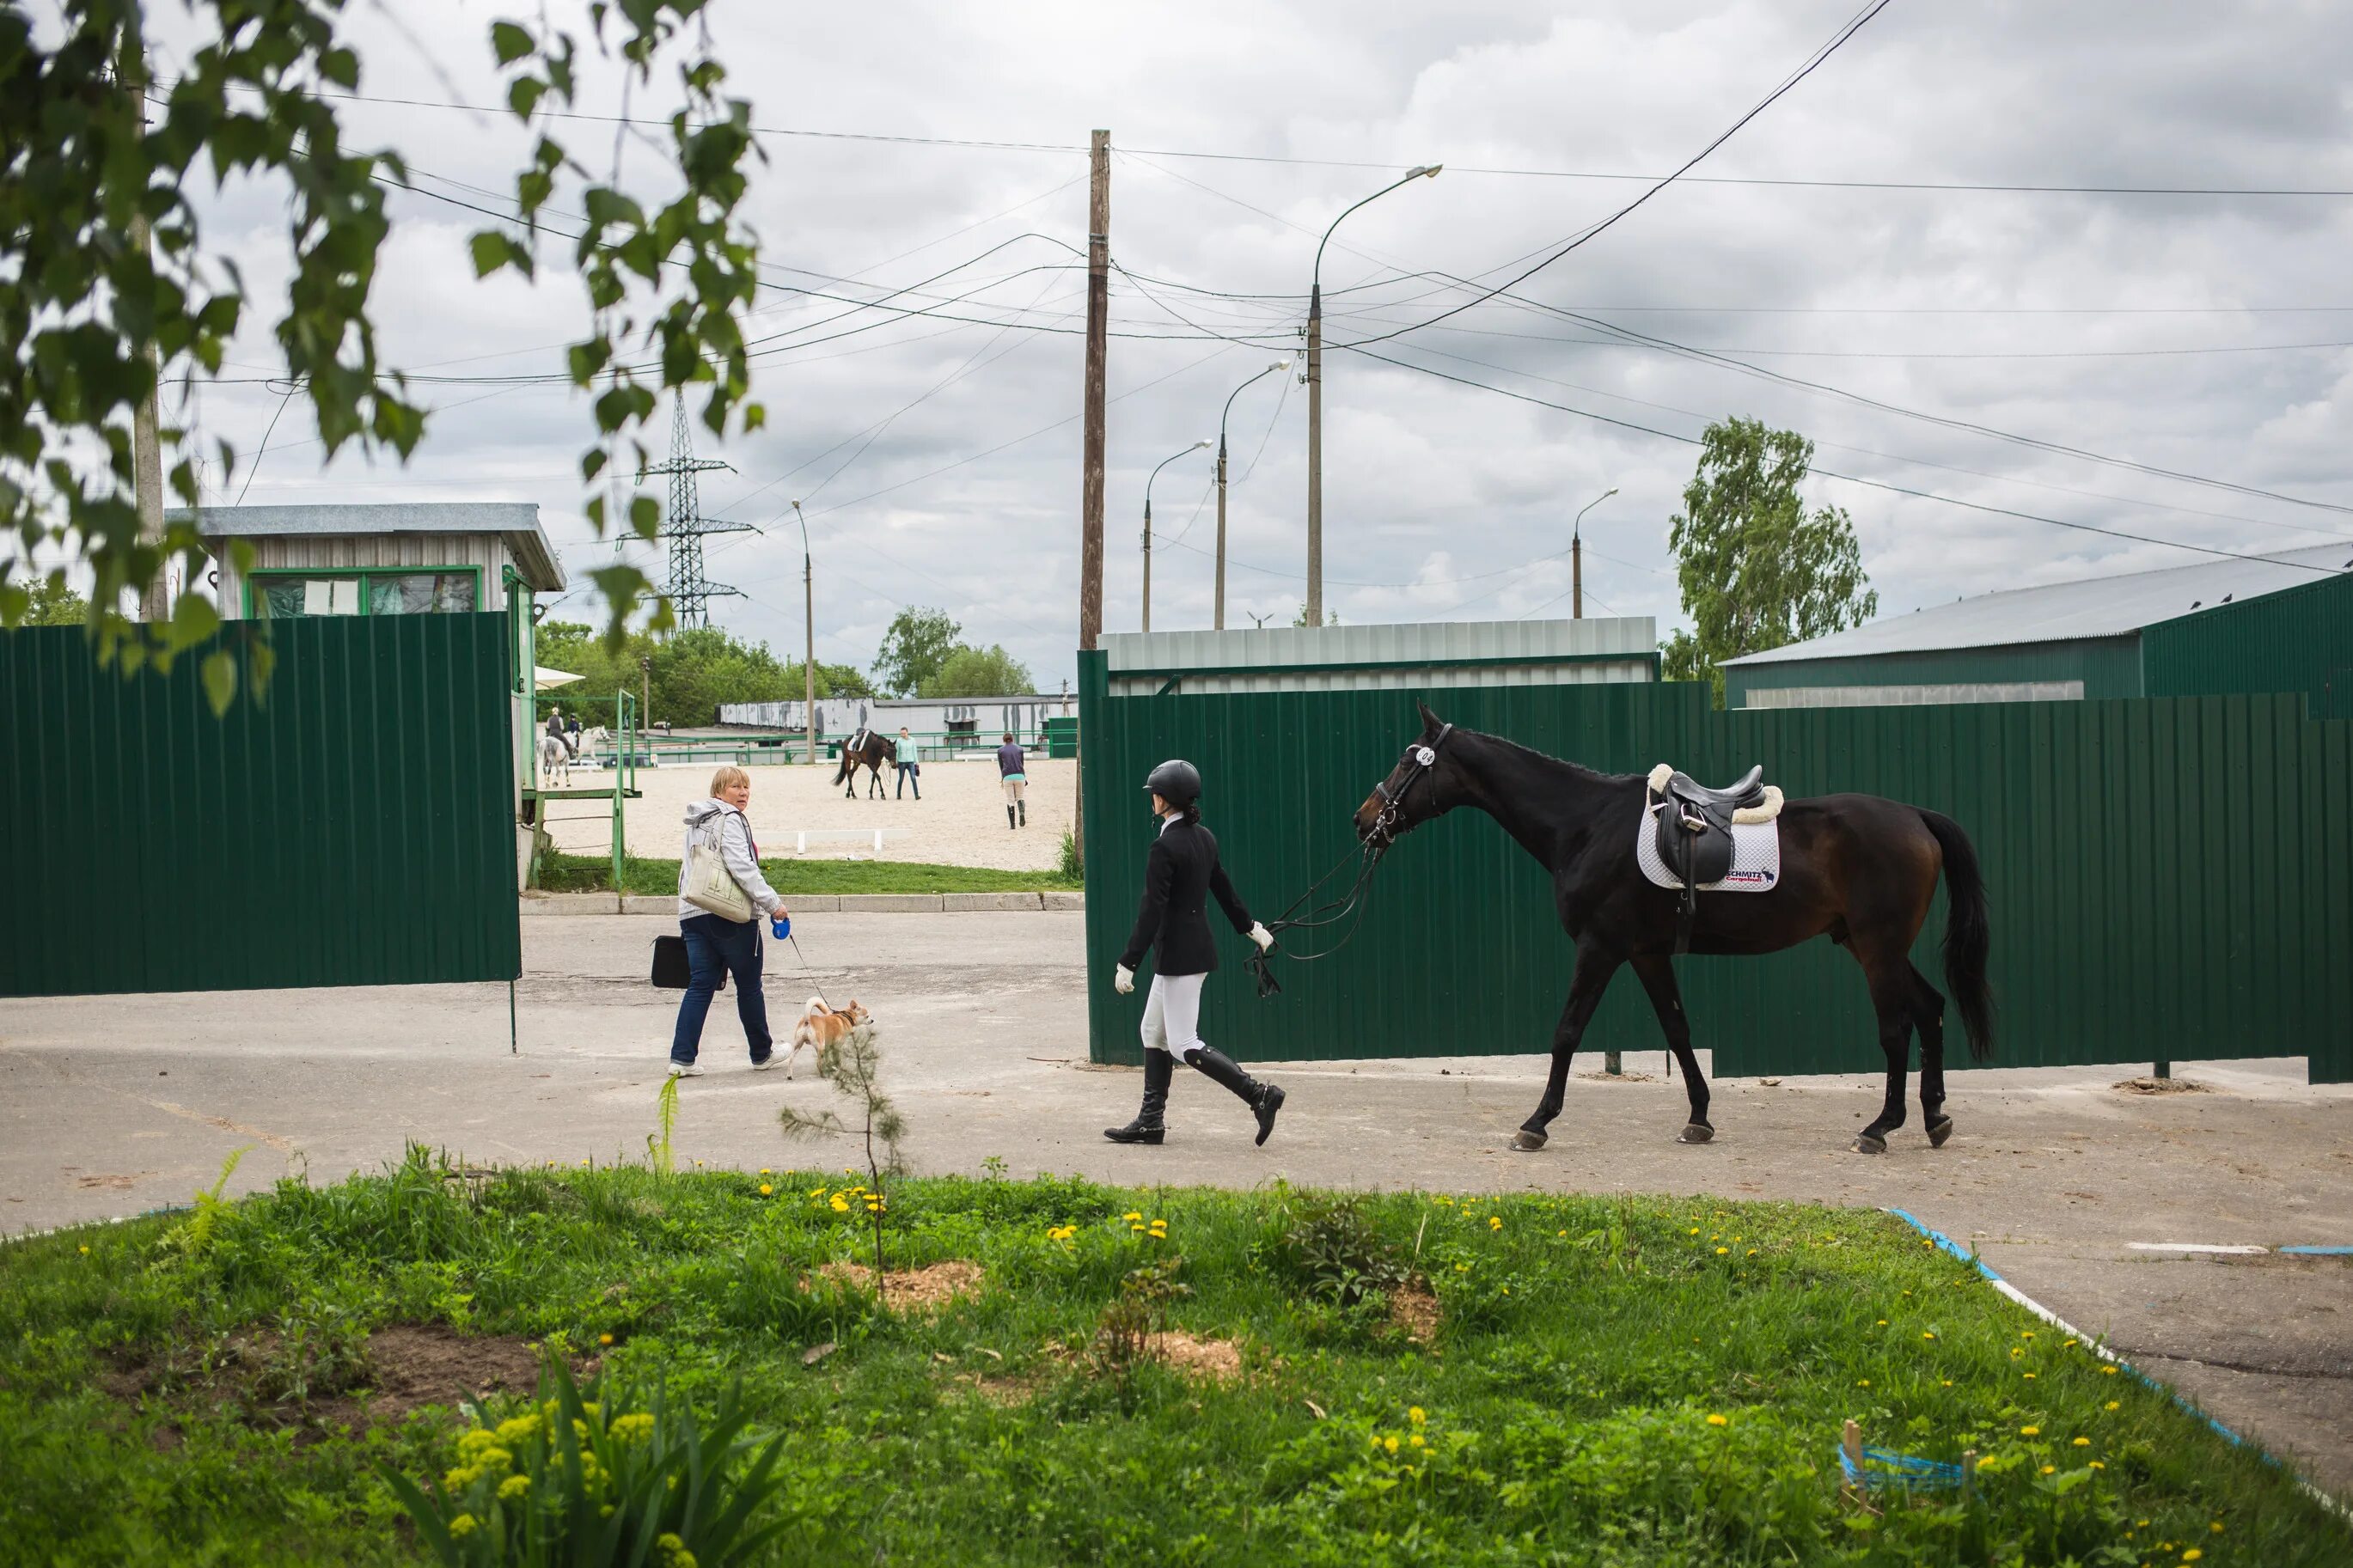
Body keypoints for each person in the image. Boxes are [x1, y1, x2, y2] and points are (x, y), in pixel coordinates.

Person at [1103, 759, 1285, 1146]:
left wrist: (1128, 961)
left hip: (1181, 958)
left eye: (1154, 793)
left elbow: (1151, 908)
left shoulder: (1164, 846)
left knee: (1185, 1044)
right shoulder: (1204, 837)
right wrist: (1250, 927)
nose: (1151, 799)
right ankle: (1151, 1121)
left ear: (1165, 799)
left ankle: (1259, 1095)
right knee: (1153, 1031)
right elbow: (1223, 888)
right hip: (1183, 955)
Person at [671, 766, 787, 1076]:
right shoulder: (730, 819)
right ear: (719, 791)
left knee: (700, 985)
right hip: (728, 914)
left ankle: (682, 1059)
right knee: (749, 985)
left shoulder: (696, 821)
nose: (743, 792)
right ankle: (762, 1053)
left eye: (746, 787)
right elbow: (742, 866)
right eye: (735, 787)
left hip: (694, 911)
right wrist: (773, 903)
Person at [997, 732, 1027, 829]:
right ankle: (1021, 813)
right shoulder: (1020, 749)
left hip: (1007, 776)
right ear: (1012, 739)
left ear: (1004, 740)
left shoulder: (1000, 750)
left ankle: (1012, 825)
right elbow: (1021, 764)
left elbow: (1001, 766)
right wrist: (1024, 777)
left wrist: (1003, 777)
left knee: (1010, 800)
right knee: (1020, 797)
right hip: (1020, 776)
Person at [895, 725, 921, 800]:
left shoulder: (912, 740)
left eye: (904, 733)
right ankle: (898, 794)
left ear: (907, 733)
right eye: (901, 733)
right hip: (901, 762)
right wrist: (896, 762)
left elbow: (914, 751)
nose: (902, 735)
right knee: (901, 779)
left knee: (913, 778)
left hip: (911, 762)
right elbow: (897, 752)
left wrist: (917, 762)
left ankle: (916, 795)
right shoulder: (898, 741)